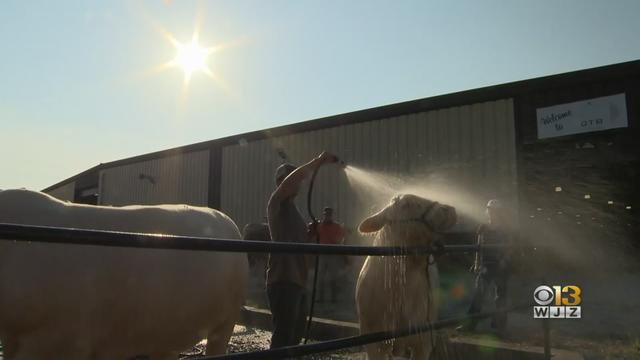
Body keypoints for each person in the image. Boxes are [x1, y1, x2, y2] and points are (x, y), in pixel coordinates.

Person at [266, 151, 340, 348]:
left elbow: (297, 240)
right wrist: (317, 162)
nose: (294, 183)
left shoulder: (295, 212)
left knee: (295, 336)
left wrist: (309, 234)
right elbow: (292, 181)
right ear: (280, 182)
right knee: (283, 337)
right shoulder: (276, 203)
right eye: (286, 179)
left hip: (298, 281)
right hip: (282, 280)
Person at [457, 199, 515, 336]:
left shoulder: (505, 229)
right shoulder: (483, 228)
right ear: (487, 211)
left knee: (500, 297)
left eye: (494, 211)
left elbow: (510, 247)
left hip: (501, 266)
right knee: (478, 295)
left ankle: (499, 326)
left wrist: (504, 260)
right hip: (485, 265)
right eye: (490, 210)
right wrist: (476, 263)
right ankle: (470, 324)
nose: (492, 213)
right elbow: (479, 247)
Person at [316, 207, 346, 303]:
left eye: (329, 215)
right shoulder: (320, 226)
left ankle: (334, 297)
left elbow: (339, 240)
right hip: (322, 254)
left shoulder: (337, 227)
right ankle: (320, 297)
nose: (327, 216)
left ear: (331, 215)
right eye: (326, 215)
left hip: (332, 254)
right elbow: (314, 236)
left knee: (333, 277)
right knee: (320, 277)